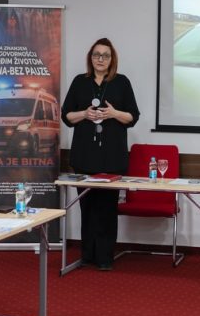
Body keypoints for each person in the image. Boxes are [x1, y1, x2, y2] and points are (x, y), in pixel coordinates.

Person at [60, 38, 140, 271]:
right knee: (87, 208)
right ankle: (87, 255)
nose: (101, 59)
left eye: (105, 55)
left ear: (112, 59)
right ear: (91, 58)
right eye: (97, 55)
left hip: (112, 158)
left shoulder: (121, 82)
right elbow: (67, 116)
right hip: (84, 156)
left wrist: (114, 113)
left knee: (106, 208)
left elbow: (133, 117)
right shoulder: (80, 81)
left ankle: (105, 257)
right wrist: (84, 114)